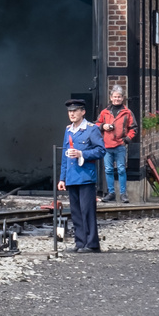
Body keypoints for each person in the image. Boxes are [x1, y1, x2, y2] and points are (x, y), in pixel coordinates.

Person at [56, 98, 105, 252]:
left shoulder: (92, 129)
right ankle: (80, 243)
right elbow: (65, 155)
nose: (72, 114)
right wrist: (62, 178)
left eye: (75, 111)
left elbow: (101, 150)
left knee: (87, 211)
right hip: (72, 177)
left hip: (85, 177)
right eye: (70, 111)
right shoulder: (68, 130)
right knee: (76, 212)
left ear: (83, 112)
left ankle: (92, 244)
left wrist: (81, 153)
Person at [97, 86, 138, 204]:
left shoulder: (128, 112)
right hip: (107, 145)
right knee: (108, 170)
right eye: (115, 97)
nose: (117, 99)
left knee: (121, 169)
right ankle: (111, 193)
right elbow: (96, 124)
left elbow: (133, 128)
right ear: (111, 98)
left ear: (122, 98)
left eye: (119, 97)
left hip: (120, 145)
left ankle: (123, 194)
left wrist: (127, 139)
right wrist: (103, 126)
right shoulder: (104, 112)